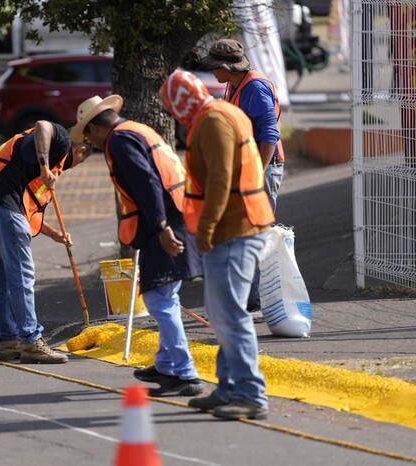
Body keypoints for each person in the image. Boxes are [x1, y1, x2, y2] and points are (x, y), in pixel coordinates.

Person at [71, 95, 204, 397]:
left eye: (88, 134)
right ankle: (167, 365)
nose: (90, 141)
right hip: (178, 216)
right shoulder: (136, 129)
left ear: (95, 126)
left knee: (159, 300)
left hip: (166, 223)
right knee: (164, 296)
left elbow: (147, 183)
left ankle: (184, 373)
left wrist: (160, 227)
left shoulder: (119, 140)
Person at [160, 70, 274, 419]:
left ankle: (250, 395)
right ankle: (228, 388)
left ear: (181, 103)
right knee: (225, 315)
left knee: (231, 315)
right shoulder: (220, 113)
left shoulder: (212, 121)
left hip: (233, 229)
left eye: (172, 107)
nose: (173, 116)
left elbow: (222, 179)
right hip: (238, 225)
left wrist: (205, 230)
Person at [0, 120, 91, 364]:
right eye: (80, 162)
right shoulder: (61, 141)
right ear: (80, 151)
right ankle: (31, 341)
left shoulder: (31, 161)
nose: (73, 167)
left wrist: (53, 233)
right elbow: (42, 126)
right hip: (2, 206)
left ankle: (8, 342)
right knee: (21, 278)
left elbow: (23, 214)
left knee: (4, 279)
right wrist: (45, 166)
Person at [199, 38, 285, 315]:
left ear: (227, 66)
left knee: (256, 234)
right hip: (247, 169)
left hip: (263, 169)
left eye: (215, 67)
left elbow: (270, 133)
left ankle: (259, 301)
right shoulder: (234, 84)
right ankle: (249, 299)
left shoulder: (255, 87)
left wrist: (257, 174)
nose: (212, 73)